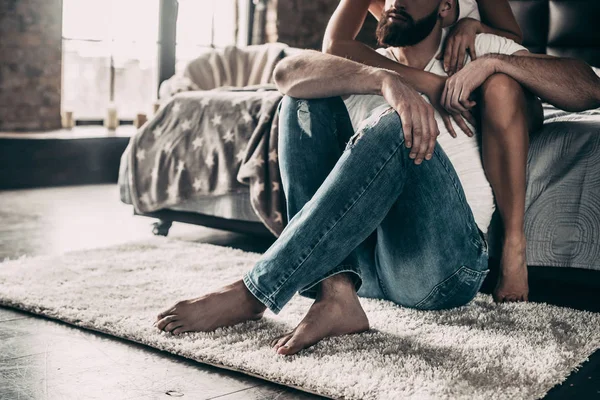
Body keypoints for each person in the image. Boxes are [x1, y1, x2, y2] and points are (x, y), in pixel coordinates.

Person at [154, 0, 600, 357]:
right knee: (300, 102)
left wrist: (494, 66)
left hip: (444, 267)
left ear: (446, 8)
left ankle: (258, 289)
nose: (394, 3)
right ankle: (337, 295)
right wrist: (387, 81)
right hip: (367, 267)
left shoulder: (473, 51)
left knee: (393, 127)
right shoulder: (365, 65)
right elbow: (285, 73)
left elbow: (587, 88)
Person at [323, 0, 537, 303]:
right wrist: (424, 81)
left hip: (480, 63)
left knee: (500, 89)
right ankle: (335, 280)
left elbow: (511, 38)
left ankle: (514, 244)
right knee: (313, 101)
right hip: (423, 61)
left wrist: (473, 27)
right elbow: (337, 44)